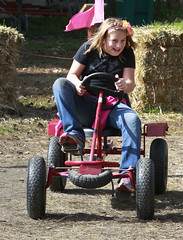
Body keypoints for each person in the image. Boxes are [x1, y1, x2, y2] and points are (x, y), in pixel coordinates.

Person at [52, 18, 141, 192]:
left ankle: (127, 176)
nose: (119, 45)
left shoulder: (127, 53)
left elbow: (130, 83)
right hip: (86, 104)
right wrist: (77, 83)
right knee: (60, 84)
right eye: (114, 41)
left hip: (113, 104)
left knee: (133, 120)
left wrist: (125, 85)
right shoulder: (88, 48)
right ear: (103, 39)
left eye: (122, 41)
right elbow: (71, 75)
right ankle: (74, 134)